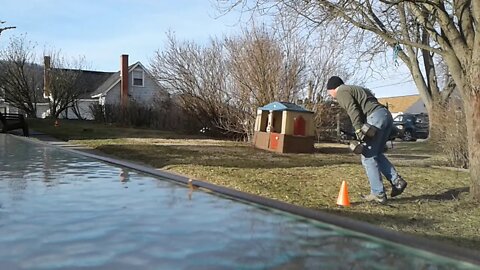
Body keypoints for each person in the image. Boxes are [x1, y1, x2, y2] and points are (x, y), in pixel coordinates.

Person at [326, 76, 407, 204]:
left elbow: (353, 110)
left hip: (375, 118)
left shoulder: (342, 91)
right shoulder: (356, 89)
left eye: (329, 93)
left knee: (367, 156)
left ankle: (378, 193)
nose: (331, 96)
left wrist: (358, 130)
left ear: (332, 88)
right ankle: (397, 181)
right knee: (376, 154)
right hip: (385, 116)